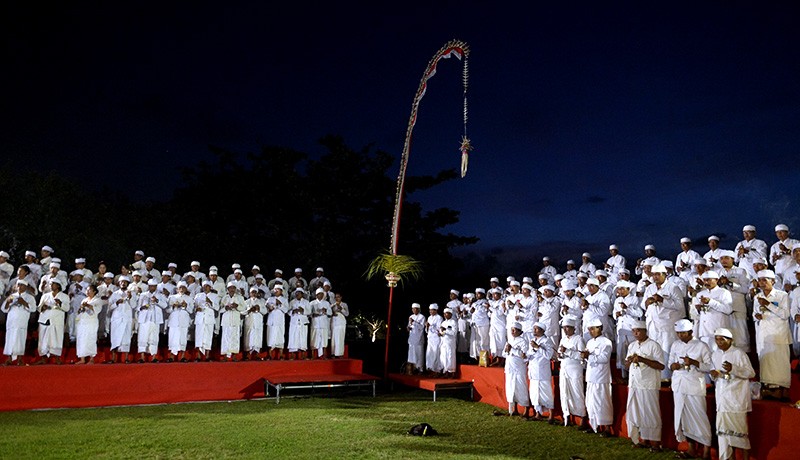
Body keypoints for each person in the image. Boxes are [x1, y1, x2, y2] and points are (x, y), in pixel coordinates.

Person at [669, 319, 713, 460]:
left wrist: (694, 362)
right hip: (679, 385)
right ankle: (691, 449)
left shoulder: (701, 346)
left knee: (700, 418)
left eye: (683, 333)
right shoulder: (675, 345)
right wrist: (673, 366)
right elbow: (670, 363)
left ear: (690, 332)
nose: (680, 336)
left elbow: (710, 367)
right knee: (684, 418)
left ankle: (706, 452)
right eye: (678, 333)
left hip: (694, 386)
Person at [710, 328, 755, 460]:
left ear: (730, 340)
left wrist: (734, 369)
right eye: (717, 339)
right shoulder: (715, 354)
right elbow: (715, 373)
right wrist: (714, 375)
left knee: (741, 435)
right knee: (723, 436)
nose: (719, 342)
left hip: (737, 401)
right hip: (722, 401)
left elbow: (751, 373)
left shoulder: (739, 354)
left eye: (722, 339)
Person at [624, 320, 665, 451]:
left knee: (651, 413)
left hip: (649, 384)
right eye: (633, 331)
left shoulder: (654, 345)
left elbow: (661, 365)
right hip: (634, 384)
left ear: (644, 331)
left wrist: (642, 360)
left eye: (638, 331)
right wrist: (629, 361)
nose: (635, 333)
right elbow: (626, 364)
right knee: (636, 412)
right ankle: (642, 439)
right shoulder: (632, 346)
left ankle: (655, 443)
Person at [752, 269, 791, 400]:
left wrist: (768, 304)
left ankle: (781, 390)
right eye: (760, 280)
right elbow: (754, 314)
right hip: (763, 334)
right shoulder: (757, 297)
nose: (762, 283)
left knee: (779, 363)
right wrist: (756, 316)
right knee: (766, 362)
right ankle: (769, 389)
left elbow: (785, 314)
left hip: (778, 334)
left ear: (773, 281)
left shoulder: (782, 295)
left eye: (765, 280)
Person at [581, 318, 613, 436]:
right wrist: (584, 356)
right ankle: (594, 426)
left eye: (593, 329)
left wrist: (588, 356)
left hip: (601, 377)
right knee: (591, 403)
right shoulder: (589, 342)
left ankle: (607, 428)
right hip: (591, 376)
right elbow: (588, 358)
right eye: (589, 329)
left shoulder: (606, 342)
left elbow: (604, 359)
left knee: (602, 402)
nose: (591, 331)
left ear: (600, 329)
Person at [557, 315, 588, 428]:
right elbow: (560, 355)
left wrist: (568, 352)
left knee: (577, 393)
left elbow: (582, 356)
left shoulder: (578, 339)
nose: (565, 330)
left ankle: (583, 417)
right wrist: (560, 354)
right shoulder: (563, 339)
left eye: (567, 328)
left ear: (573, 328)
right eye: (564, 328)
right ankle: (567, 416)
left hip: (575, 370)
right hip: (564, 368)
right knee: (564, 393)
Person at [691, 270, 733, 350]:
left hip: (718, 331)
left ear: (716, 280)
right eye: (705, 280)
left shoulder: (724, 292)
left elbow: (728, 310)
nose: (707, 282)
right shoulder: (700, 294)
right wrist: (698, 309)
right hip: (704, 332)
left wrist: (711, 302)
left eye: (709, 280)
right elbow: (694, 314)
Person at [612, 280, 643, 380]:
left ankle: (633, 375)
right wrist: (615, 315)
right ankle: (623, 376)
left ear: (628, 289)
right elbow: (614, 312)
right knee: (621, 351)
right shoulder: (617, 300)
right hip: (621, 329)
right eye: (619, 289)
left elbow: (639, 313)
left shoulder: (635, 299)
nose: (620, 291)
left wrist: (627, 309)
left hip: (631, 329)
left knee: (631, 351)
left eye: (622, 289)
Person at [36, 279, 70, 364]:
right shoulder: (45, 295)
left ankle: (57, 358)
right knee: (43, 339)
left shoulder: (64, 296)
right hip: (45, 319)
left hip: (57, 320)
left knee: (56, 338)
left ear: (58, 285)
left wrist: (60, 303)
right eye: (50, 284)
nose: (51, 286)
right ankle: (43, 358)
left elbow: (67, 308)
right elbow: (39, 308)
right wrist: (43, 308)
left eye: (53, 284)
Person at [2, 280, 36, 365]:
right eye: (18, 285)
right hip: (11, 321)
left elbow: (33, 309)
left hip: (21, 321)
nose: (19, 287)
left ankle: (20, 359)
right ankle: (9, 358)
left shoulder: (30, 297)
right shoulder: (12, 296)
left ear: (26, 287)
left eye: (22, 285)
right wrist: (8, 303)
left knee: (20, 339)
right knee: (10, 339)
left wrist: (24, 303)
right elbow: (4, 309)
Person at [526, 321, 554, 422]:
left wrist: (537, 347)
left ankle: (551, 414)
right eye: (534, 328)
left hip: (542, 371)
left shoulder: (547, 341)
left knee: (546, 393)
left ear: (542, 330)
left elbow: (549, 355)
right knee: (534, 394)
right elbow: (530, 353)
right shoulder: (532, 340)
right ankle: (538, 413)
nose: (534, 330)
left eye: (536, 329)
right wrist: (526, 356)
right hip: (533, 371)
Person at [503, 322, 530, 416]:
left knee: (521, 387)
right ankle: (514, 409)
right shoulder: (509, 340)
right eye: (511, 330)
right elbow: (504, 354)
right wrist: (507, 350)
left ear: (520, 331)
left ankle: (526, 410)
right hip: (510, 368)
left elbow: (524, 355)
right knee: (511, 388)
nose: (512, 332)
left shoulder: (523, 342)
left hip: (519, 368)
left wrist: (512, 350)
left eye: (514, 330)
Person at [136, 279, 166, 363]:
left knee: (154, 337)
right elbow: (138, 307)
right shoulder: (143, 295)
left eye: (154, 286)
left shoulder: (160, 295)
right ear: (148, 286)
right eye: (151, 286)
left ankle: (153, 357)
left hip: (155, 319)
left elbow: (165, 306)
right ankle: (142, 357)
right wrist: (143, 307)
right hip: (145, 319)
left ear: (156, 286)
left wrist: (157, 301)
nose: (152, 287)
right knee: (143, 337)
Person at [167, 281, 194, 362]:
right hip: (174, 321)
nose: (181, 289)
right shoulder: (172, 297)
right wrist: (173, 306)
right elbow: (168, 310)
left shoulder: (189, 298)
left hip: (183, 321)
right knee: (172, 338)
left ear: (186, 289)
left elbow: (191, 311)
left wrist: (186, 306)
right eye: (180, 288)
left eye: (183, 288)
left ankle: (182, 357)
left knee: (182, 338)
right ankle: (171, 357)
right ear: (177, 289)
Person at [75, 284, 102, 364]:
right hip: (82, 322)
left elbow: (97, 310)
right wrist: (81, 309)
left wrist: (89, 306)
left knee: (91, 339)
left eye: (89, 290)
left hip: (91, 322)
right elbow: (79, 311)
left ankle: (91, 359)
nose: (87, 292)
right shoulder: (84, 300)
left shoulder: (97, 300)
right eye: (86, 290)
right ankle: (82, 359)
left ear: (94, 291)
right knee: (81, 339)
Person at [219, 282, 246, 361]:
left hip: (235, 319)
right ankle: (225, 356)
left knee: (235, 337)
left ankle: (234, 355)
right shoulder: (224, 298)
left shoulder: (240, 298)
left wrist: (237, 306)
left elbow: (244, 309)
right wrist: (226, 308)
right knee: (225, 337)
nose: (232, 289)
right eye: (230, 288)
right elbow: (220, 310)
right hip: (226, 320)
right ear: (227, 289)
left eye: (233, 288)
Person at [193, 281, 218, 361]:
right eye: (204, 286)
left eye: (207, 286)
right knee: (199, 337)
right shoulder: (198, 295)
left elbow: (217, 308)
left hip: (209, 318)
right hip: (200, 318)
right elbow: (194, 307)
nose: (205, 287)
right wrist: (196, 309)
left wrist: (210, 301)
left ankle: (207, 356)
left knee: (208, 336)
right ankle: (198, 356)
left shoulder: (215, 296)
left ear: (210, 287)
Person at [244, 287, 267, 360]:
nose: (253, 294)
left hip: (258, 323)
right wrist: (249, 310)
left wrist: (259, 309)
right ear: (250, 293)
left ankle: (257, 354)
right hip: (249, 322)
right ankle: (248, 355)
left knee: (258, 337)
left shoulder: (261, 302)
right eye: (252, 292)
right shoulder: (246, 302)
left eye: (255, 292)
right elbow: (242, 312)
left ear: (257, 293)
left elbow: (265, 311)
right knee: (248, 338)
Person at [265, 285, 288, 360]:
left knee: (280, 337)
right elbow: (266, 309)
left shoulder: (284, 300)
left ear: (281, 291)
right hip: (271, 321)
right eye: (275, 289)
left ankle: (281, 355)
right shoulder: (269, 299)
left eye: (278, 289)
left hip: (279, 322)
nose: (276, 291)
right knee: (270, 337)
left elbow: (286, 310)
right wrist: (270, 308)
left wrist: (279, 304)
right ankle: (269, 355)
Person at [309, 287, 332, 359]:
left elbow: (330, 313)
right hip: (315, 324)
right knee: (314, 339)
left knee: (324, 340)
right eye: (319, 294)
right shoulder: (312, 303)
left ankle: (324, 355)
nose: (321, 295)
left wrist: (325, 311)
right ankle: (313, 355)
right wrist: (313, 314)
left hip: (324, 324)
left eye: (322, 294)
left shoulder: (326, 303)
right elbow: (308, 313)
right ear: (316, 295)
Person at [488, 288, 507, 365]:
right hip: (493, 325)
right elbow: (490, 314)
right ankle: (497, 359)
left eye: (495, 294)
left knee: (501, 342)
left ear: (499, 295)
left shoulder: (502, 302)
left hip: (500, 325)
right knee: (494, 342)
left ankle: (502, 360)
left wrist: (490, 308)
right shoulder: (493, 303)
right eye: (493, 294)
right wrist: (490, 310)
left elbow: (500, 312)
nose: (494, 295)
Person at [406, 303, 426, 372]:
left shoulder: (422, 317)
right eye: (413, 309)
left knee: (419, 354)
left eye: (416, 309)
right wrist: (408, 328)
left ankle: (420, 369)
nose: (414, 310)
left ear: (419, 309)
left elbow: (421, 327)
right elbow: (409, 326)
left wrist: (414, 322)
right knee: (412, 355)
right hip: (412, 339)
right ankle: (412, 369)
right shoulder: (411, 316)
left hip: (419, 339)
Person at [439, 307, 458, 377]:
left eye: (446, 313)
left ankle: (451, 372)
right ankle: (445, 371)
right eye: (444, 314)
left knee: (450, 357)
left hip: (450, 343)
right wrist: (440, 333)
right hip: (443, 342)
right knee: (444, 357)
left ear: (450, 314)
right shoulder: (443, 322)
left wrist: (445, 330)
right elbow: (441, 332)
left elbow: (454, 333)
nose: (445, 315)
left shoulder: (453, 322)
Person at [425, 303, 443, 375]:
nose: (431, 312)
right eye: (430, 310)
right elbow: (427, 330)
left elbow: (439, 329)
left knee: (436, 353)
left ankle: (436, 370)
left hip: (436, 338)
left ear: (436, 310)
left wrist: (431, 326)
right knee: (429, 353)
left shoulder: (439, 318)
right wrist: (427, 326)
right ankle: (430, 368)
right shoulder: (429, 318)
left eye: (432, 310)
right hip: (430, 338)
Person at [330, 292, 349, 358]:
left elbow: (347, 314)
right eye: (336, 297)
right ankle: (333, 353)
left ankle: (339, 353)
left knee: (340, 337)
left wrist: (341, 309)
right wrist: (332, 313)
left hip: (341, 322)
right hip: (334, 322)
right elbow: (329, 312)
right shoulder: (333, 305)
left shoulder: (344, 304)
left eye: (338, 297)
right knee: (334, 337)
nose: (337, 298)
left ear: (341, 297)